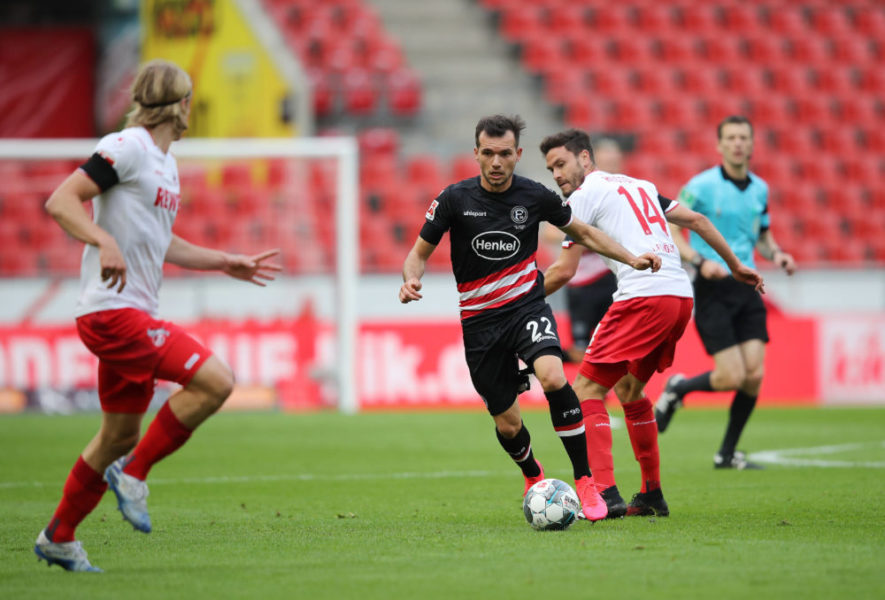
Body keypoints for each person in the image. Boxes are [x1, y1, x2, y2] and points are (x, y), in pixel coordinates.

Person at [34, 59, 281, 572]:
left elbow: (159, 241)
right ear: (182, 104)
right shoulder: (128, 147)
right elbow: (61, 201)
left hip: (131, 311)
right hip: (112, 312)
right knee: (216, 380)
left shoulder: (165, 164)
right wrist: (101, 239)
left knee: (117, 436)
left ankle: (58, 535)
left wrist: (224, 261)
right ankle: (135, 475)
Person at [399, 115, 661, 522]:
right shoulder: (453, 199)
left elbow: (586, 233)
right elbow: (418, 253)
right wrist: (411, 280)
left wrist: (631, 257)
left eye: (505, 154)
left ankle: (586, 480)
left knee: (555, 377)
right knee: (507, 422)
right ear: (477, 154)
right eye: (489, 153)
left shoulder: (535, 196)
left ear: (517, 154)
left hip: (526, 307)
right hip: (480, 322)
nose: (497, 162)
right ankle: (533, 473)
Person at [539, 129, 763, 517]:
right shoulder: (640, 186)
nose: (556, 174)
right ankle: (651, 494)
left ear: (586, 160)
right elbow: (696, 220)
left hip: (642, 296)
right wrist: (736, 265)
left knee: (586, 390)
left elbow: (562, 272)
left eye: (562, 163)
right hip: (679, 297)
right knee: (629, 389)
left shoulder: (584, 196)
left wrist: (513, 303)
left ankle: (606, 494)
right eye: (550, 168)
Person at [654, 115, 796, 470]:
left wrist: (776, 253)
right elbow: (670, 229)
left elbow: (761, 234)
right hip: (713, 286)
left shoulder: (760, 189)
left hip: (747, 286)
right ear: (719, 145)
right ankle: (678, 389)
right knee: (731, 376)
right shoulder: (700, 187)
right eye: (730, 138)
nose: (737, 143)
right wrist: (700, 262)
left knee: (754, 375)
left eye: (743, 138)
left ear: (751, 144)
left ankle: (727, 453)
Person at [542, 137, 623, 363]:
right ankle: (538, 357)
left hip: (611, 280)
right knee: (582, 351)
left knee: (611, 347)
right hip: (579, 284)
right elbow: (550, 233)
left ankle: (599, 396)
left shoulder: (621, 195)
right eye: (606, 161)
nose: (611, 167)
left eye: (614, 162)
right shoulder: (576, 195)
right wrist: (585, 235)